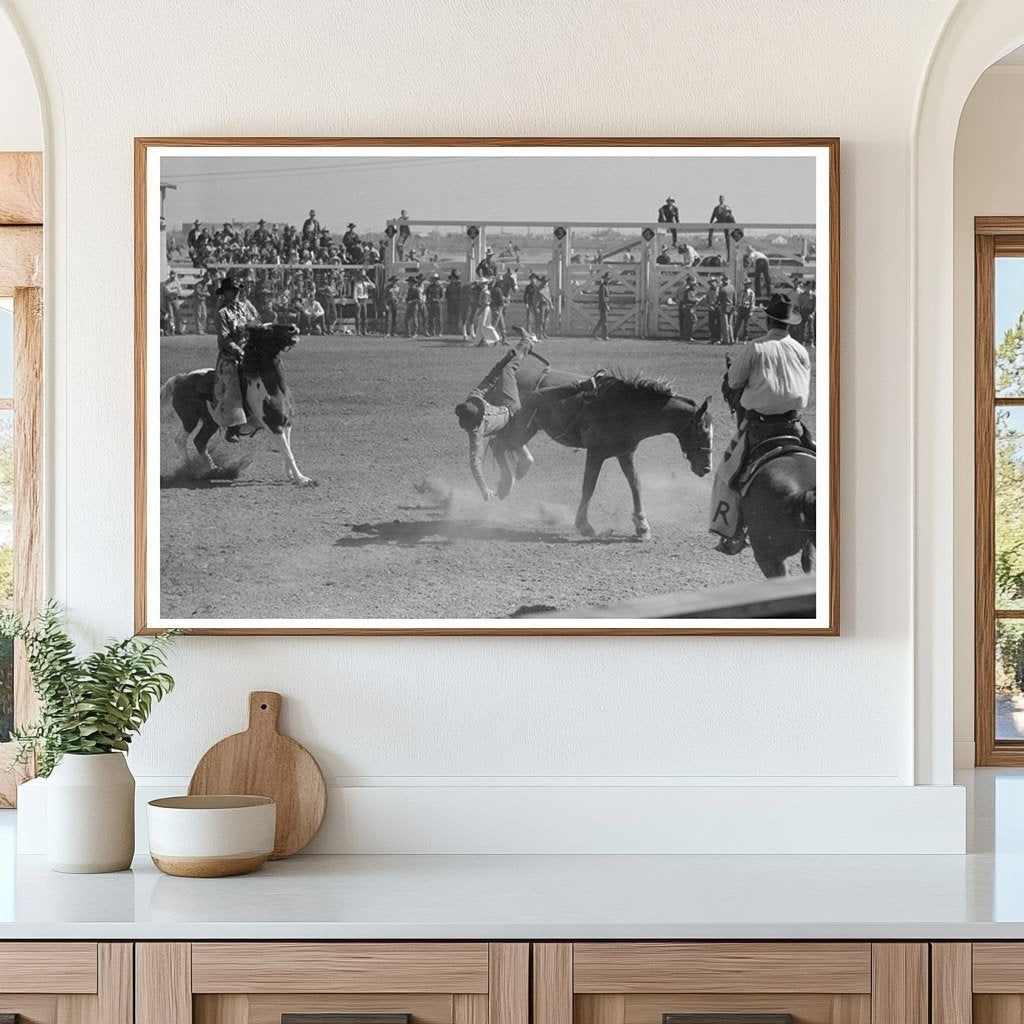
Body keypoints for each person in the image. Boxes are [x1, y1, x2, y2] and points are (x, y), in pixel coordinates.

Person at [709, 292, 815, 554]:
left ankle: (730, 533)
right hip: (795, 426)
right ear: (789, 323)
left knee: (726, 474)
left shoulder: (756, 348)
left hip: (760, 427)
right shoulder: (801, 350)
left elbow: (733, 382)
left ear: (768, 321)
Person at [455, 329, 538, 501]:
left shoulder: (475, 426)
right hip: (511, 410)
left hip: (502, 422)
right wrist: (484, 488)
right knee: (509, 369)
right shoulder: (475, 401)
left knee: (506, 367)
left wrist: (506, 357)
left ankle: (506, 474)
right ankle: (527, 342)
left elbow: (493, 376)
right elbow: (475, 463)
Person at [212, 275, 258, 441]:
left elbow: (253, 324)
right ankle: (233, 426)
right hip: (230, 356)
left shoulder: (243, 307)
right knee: (233, 384)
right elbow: (224, 338)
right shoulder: (221, 313)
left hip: (248, 350)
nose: (236, 293)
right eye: (232, 290)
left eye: (238, 290)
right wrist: (239, 350)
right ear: (224, 294)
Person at [675, 273, 699, 342]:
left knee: (684, 321)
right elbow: (686, 298)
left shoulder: (683, 287)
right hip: (685, 304)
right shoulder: (688, 289)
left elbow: (677, 295)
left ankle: (684, 336)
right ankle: (686, 336)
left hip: (682, 304)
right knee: (687, 321)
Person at [161, 271, 184, 335]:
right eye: (172, 276)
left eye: (174, 276)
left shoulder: (177, 282)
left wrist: (172, 292)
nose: (173, 278)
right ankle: (172, 330)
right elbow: (167, 291)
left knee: (178, 314)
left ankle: (179, 330)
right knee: (171, 315)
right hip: (169, 300)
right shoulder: (166, 282)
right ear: (170, 275)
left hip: (175, 299)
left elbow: (179, 291)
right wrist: (174, 291)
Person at [734, 277, 755, 341]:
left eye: (747, 284)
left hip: (747, 309)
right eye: (745, 284)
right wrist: (736, 310)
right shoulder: (741, 292)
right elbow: (738, 302)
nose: (746, 285)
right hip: (741, 309)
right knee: (737, 324)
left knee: (746, 326)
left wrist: (751, 311)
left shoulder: (751, 293)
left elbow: (752, 302)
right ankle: (736, 338)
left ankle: (745, 339)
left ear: (749, 285)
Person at [718, 274, 736, 346]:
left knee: (725, 324)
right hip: (731, 307)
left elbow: (719, 298)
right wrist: (734, 306)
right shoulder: (732, 288)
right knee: (730, 324)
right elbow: (735, 298)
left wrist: (717, 304)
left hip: (724, 307)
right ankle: (732, 339)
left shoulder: (722, 289)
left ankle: (726, 340)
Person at [425, 272, 445, 336]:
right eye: (433, 279)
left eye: (435, 279)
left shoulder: (440, 287)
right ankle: (432, 331)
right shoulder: (429, 287)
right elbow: (427, 295)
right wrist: (428, 300)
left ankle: (439, 332)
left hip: (437, 303)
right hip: (431, 303)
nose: (434, 280)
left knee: (439, 318)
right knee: (431, 318)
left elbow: (442, 295)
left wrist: (438, 300)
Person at [490, 274, 508, 343]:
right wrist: (505, 302)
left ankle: (504, 339)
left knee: (502, 324)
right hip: (497, 308)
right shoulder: (498, 289)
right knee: (494, 324)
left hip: (496, 308)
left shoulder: (494, 289)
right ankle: (489, 339)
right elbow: (500, 300)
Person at [192, 270, 211, 334]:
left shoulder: (205, 285)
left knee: (204, 315)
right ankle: (199, 330)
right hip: (198, 301)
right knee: (198, 316)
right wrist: (205, 294)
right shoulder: (199, 284)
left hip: (203, 301)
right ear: (204, 277)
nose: (208, 280)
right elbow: (198, 292)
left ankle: (202, 329)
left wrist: (206, 294)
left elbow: (207, 292)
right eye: (207, 278)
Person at [593, 272, 610, 339]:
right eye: (607, 279)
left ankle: (595, 332)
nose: (608, 280)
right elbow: (603, 297)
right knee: (604, 320)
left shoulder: (605, 286)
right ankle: (605, 335)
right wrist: (606, 305)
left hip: (604, 305)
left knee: (602, 320)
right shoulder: (603, 286)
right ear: (605, 279)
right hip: (603, 305)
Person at [445, 271, 463, 335]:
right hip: (450, 303)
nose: (453, 280)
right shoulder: (448, 287)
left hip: (457, 303)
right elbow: (446, 295)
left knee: (457, 317)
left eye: (454, 279)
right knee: (450, 317)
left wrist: (459, 301)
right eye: (452, 279)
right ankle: (450, 330)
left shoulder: (459, 286)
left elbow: (460, 295)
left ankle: (457, 330)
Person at [705, 276, 721, 345]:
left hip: (718, 308)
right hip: (711, 309)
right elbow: (706, 301)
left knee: (718, 324)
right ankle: (712, 339)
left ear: (716, 282)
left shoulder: (720, 290)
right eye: (711, 282)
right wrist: (709, 306)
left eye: (713, 282)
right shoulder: (708, 291)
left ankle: (718, 338)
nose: (712, 284)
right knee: (711, 325)